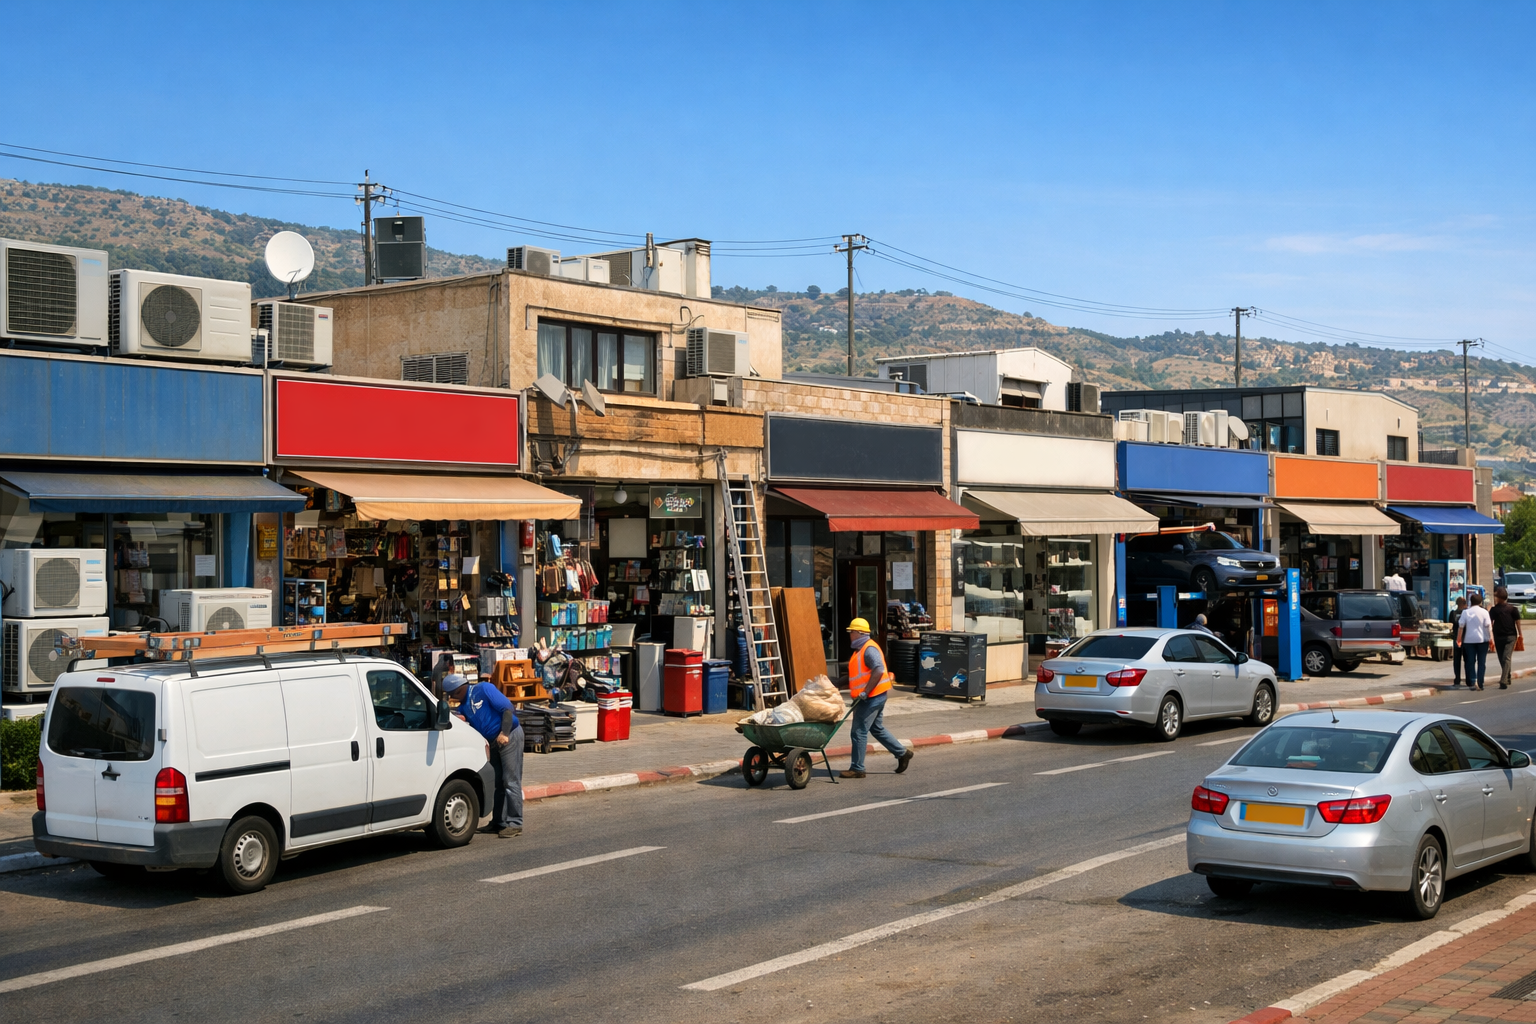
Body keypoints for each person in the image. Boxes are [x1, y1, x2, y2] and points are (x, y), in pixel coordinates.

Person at [441, 673, 524, 837]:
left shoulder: (484, 688)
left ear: (462, 688)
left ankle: (515, 823)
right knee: (497, 782)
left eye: (455, 694)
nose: (454, 698)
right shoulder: (463, 707)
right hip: (493, 742)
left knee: (510, 780)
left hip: (509, 735)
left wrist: (505, 733)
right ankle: (498, 822)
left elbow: (507, 708)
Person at [839, 618, 914, 779]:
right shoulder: (860, 650)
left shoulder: (869, 649)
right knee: (876, 729)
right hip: (875, 695)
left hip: (871, 697)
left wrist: (865, 692)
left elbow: (879, 670)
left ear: (859, 633)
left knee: (858, 731)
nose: (850, 635)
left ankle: (857, 768)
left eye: (851, 632)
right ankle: (902, 753)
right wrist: (836, 683)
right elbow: (856, 675)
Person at [1458, 592, 1493, 692]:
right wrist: (1491, 639)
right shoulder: (1484, 612)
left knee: (1470, 661)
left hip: (1469, 640)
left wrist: (1459, 639)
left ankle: (1473, 682)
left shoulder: (1466, 612)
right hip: (1483, 640)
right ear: (1480, 602)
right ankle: (1480, 683)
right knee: (1482, 662)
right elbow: (1489, 627)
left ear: (1470, 602)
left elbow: (1461, 627)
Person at [1490, 585, 1522, 690]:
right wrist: (1490, 635)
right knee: (1501, 657)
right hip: (1498, 636)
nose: (1495, 598)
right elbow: (1490, 623)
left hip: (1510, 636)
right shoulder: (1494, 610)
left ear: (1499, 598)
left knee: (1506, 657)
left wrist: (1520, 634)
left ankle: (1503, 680)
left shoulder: (1512, 609)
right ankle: (1507, 676)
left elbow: (1518, 622)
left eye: (1496, 596)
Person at [1449, 596, 1467, 687]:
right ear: (1464, 604)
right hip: (1467, 639)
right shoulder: (1467, 613)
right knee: (1467, 659)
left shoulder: (1453, 613)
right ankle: (1468, 678)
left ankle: (1457, 678)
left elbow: (1451, 624)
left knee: (1457, 659)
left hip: (1457, 638)